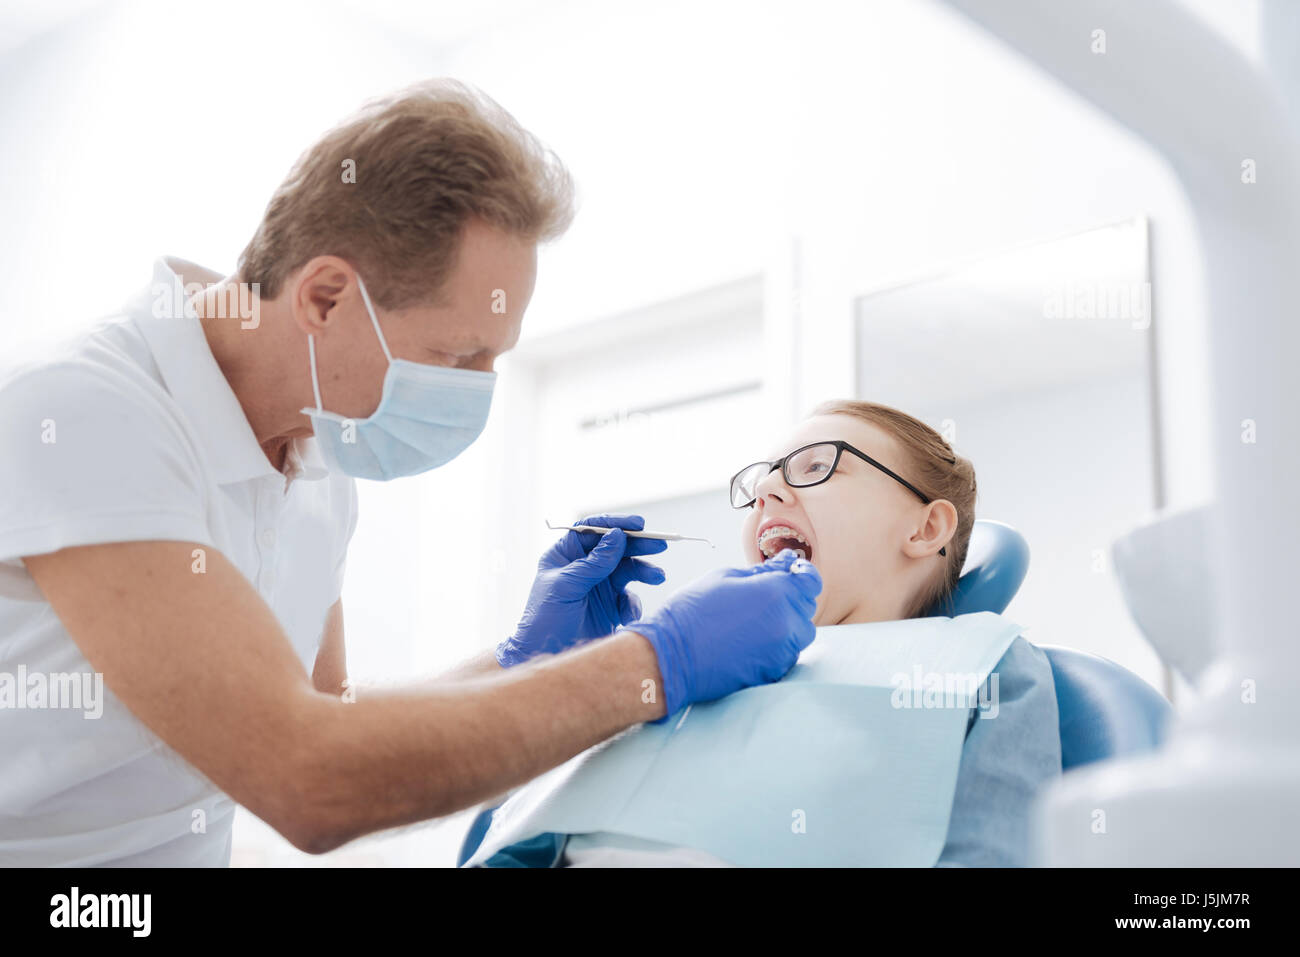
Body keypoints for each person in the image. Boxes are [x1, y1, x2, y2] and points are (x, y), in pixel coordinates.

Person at [0, 79, 822, 866]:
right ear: (324, 296)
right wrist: (653, 662)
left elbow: (329, 713)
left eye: (496, 358)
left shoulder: (320, 457)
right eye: (457, 354)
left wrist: (519, 659)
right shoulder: (90, 412)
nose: (480, 390)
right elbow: (308, 776)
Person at [472, 400, 1061, 867]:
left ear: (926, 525)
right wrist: (532, 668)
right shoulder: (708, 660)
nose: (766, 493)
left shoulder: (983, 665)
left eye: (817, 467)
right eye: (763, 480)